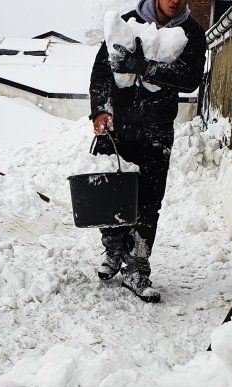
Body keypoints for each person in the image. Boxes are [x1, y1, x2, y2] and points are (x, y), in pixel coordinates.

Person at [88, 0, 206, 302]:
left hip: (157, 130)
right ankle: (114, 250)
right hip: (119, 128)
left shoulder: (191, 32)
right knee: (111, 193)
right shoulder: (126, 23)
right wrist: (101, 110)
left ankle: (137, 266)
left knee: (149, 200)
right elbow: (102, 70)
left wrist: (146, 68)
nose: (175, 0)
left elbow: (191, 78)